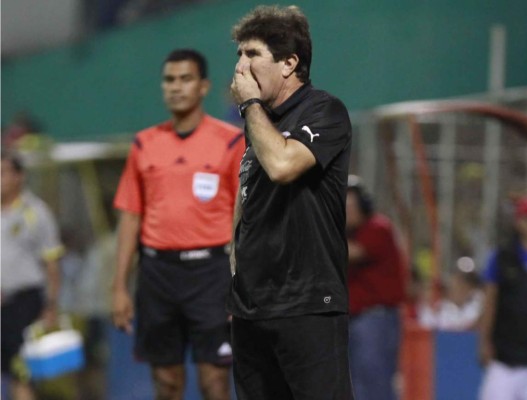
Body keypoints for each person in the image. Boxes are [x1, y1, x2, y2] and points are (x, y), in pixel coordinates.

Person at [226, 5, 353, 399]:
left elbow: (283, 165)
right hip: (252, 310)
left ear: (289, 63)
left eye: (252, 54)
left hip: (307, 305)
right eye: (239, 55)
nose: (240, 67)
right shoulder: (259, 126)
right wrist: (236, 271)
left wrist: (249, 105)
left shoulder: (324, 111)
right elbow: (246, 198)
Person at [111, 48, 244, 400]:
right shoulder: (144, 144)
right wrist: (119, 286)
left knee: (214, 382)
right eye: (169, 79)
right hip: (157, 275)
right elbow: (130, 216)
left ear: (203, 87)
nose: (176, 87)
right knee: (166, 382)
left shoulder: (231, 141)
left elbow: (245, 217)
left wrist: (245, 281)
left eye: (185, 79)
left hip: (212, 274)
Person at [1, 150, 64, 400]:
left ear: (19, 176)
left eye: (3, 173)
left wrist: (51, 305)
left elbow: (51, 263)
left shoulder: (35, 212)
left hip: (23, 303)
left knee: (21, 371)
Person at [345, 175, 407, 400]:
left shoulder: (377, 227)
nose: (346, 212)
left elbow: (352, 253)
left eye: (350, 206)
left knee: (375, 383)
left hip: (376, 319)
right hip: (354, 319)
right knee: (355, 385)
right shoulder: (348, 234)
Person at [478, 194, 527, 400]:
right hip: (505, 359)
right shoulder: (503, 257)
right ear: (518, 222)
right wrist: (484, 340)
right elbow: (490, 300)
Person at [418, 260, 483, 331]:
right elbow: (428, 325)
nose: (460, 284)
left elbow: (471, 324)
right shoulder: (443, 306)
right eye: (458, 279)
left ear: (472, 286)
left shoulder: (478, 302)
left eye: (466, 281)